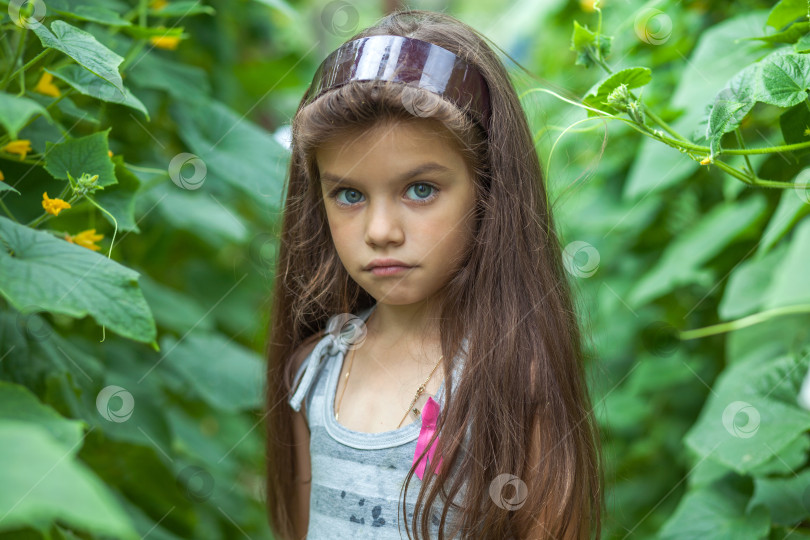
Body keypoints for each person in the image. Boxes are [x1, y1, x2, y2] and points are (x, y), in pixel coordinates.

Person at [264, 9, 604, 540]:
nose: (380, 230)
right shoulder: (313, 374)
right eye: (349, 195)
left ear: (489, 191)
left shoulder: (512, 379)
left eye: (420, 189)